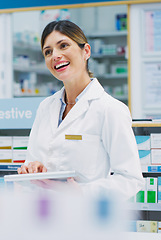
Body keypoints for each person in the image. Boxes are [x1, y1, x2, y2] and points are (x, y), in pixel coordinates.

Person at [17, 20, 144, 199]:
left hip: (85, 217)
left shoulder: (110, 109)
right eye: (48, 51)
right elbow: (33, 159)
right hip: (44, 216)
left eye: (63, 46)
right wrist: (32, 167)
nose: (55, 55)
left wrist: (80, 192)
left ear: (86, 51)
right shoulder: (46, 107)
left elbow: (130, 180)